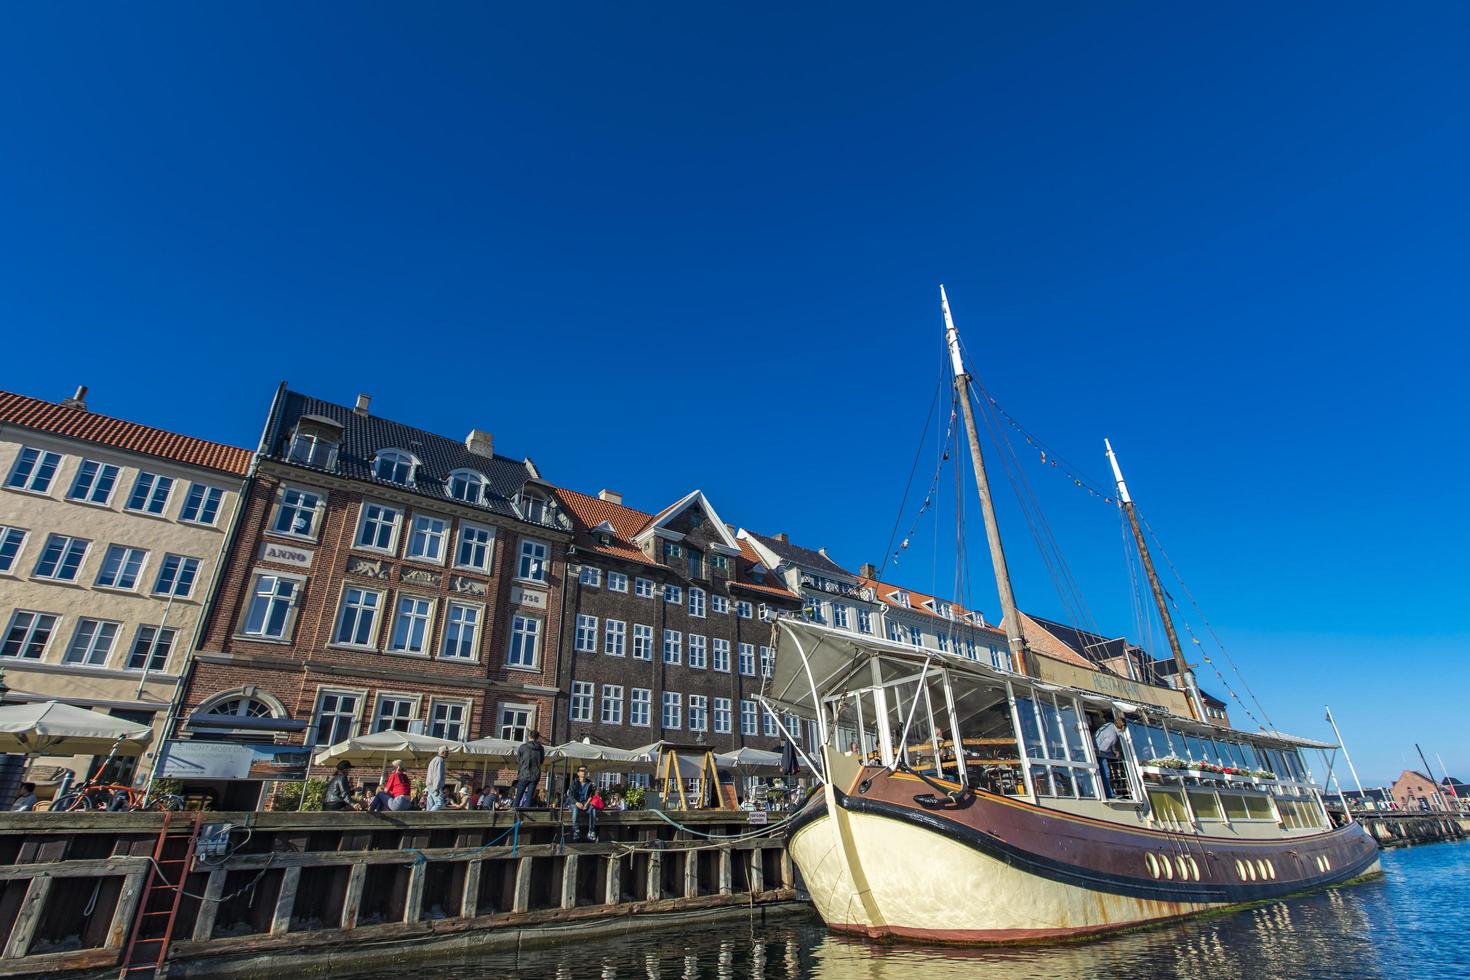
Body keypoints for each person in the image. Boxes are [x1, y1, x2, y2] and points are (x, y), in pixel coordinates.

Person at [1093, 714, 1128, 799]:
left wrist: (1113, 749)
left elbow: (1106, 740)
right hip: (1098, 753)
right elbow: (1103, 748)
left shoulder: (1109, 725)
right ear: (1122, 727)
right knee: (1106, 773)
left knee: (1103, 773)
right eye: (1124, 727)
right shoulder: (1113, 735)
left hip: (1094, 747)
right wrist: (1113, 753)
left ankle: (1108, 792)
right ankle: (1109, 794)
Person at [513, 730, 545, 809]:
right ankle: (525, 815)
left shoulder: (523, 747)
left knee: (518, 797)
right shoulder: (541, 748)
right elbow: (541, 761)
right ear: (537, 738)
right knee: (529, 798)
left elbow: (519, 760)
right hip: (535, 775)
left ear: (529, 737)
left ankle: (513, 814)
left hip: (524, 774)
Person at [567, 766, 598, 842]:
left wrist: (587, 804)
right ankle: (576, 830)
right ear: (578, 773)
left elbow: (591, 796)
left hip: (585, 804)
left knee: (592, 808)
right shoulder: (574, 782)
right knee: (575, 808)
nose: (584, 772)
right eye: (582, 770)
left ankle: (591, 831)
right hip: (575, 803)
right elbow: (569, 795)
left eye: (585, 770)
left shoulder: (589, 783)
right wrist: (577, 803)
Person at [426, 746, 449, 811]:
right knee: (439, 803)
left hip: (430, 784)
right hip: (435, 785)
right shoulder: (440, 760)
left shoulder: (434, 759)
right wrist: (437, 788)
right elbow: (437, 774)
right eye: (447, 752)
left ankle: (426, 818)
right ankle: (429, 817)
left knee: (430, 804)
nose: (448, 754)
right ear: (443, 752)